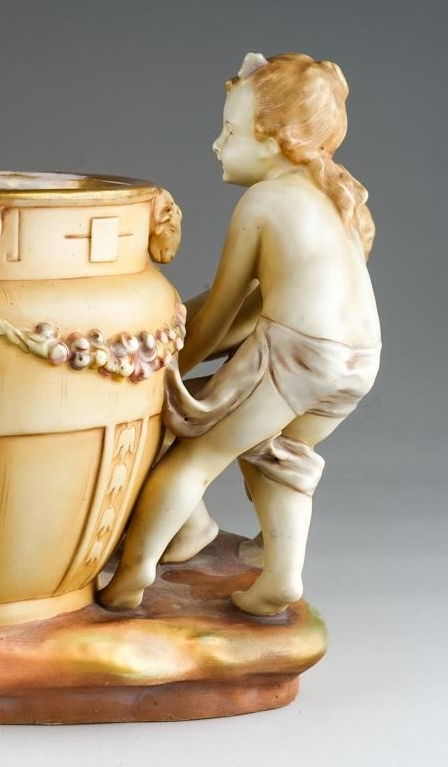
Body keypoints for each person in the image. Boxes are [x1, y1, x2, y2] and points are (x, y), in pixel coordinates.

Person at [100, 53, 381, 616]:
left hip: (300, 355)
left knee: (189, 455)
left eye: (230, 132)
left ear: (275, 141)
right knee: (276, 451)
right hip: (357, 361)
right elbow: (263, 310)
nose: (216, 144)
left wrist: (165, 371)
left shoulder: (264, 202)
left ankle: (130, 579)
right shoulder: (336, 198)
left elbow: (220, 314)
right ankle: (277, 573)